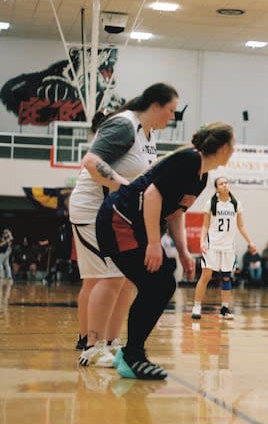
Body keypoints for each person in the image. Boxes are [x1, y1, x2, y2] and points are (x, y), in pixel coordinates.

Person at [96, 121, 236, 379]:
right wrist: (152, 243)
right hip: (119, 221)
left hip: (134, 226)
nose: (234, 149)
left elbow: (175, 214)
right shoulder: (187, 160)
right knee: (158, 284)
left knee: (160, 284)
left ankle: (131, 353)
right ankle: (131, 355)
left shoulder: (202, 177)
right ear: (224, 147)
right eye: (233, 145)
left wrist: (183, 252)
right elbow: (151, 196)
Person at [69, 83, 178, 366]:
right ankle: (91, 347)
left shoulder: (148, 133)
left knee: (127, 278)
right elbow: (91, 162)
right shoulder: (123, 125)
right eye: (171, 110)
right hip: (92, 210)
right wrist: (124, 186)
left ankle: (110, 342)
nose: (172, 117)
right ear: (155, 104)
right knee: (110, 276)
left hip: (118, 213)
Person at [191, 176, 256, 320]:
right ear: (216, 188)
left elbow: (241, 226)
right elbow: (205, 225)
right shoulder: (211, 203)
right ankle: (196, 306)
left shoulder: (236, 204)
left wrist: (250, 242)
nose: (225, 185)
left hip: (228, 246)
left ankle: (225, 308)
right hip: (212, 245)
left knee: (226, 278)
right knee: (206, 276)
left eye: (226, 182)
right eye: (221, 183)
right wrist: (202, 241)